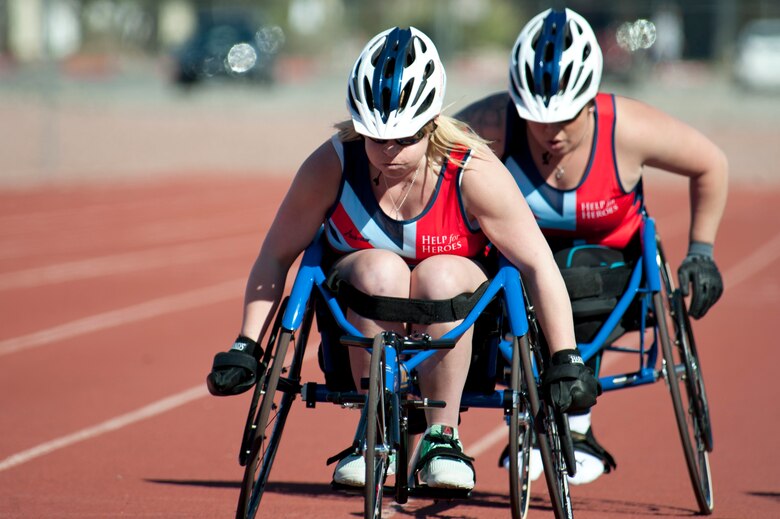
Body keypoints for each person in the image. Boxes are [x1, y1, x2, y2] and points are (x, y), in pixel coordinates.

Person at [205, 26, 600, 491]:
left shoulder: (473, 170)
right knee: (380, 266)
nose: (388, 153)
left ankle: (442, 435)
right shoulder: (331, 164)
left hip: (460, 313)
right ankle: (373, 432)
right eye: (376, 138)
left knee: (440, 272)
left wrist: (565, 355)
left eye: (405, 139)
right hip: (360, 304)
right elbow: (275, 256)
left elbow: (537, 264)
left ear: (431, 125)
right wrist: (247, 343)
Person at [456, 8, 727, 485]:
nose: (551, 132)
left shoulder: (626, 128)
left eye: (563, 117)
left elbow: (711, 164)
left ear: (590, 99)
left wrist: (701, 251)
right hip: (518, 265)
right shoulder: (491, 121)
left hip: (609, 271)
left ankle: (575, 423)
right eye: (537, 118)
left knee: (570, 273)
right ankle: (518, 407)